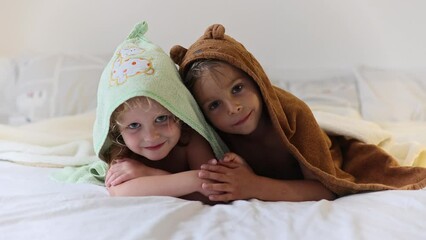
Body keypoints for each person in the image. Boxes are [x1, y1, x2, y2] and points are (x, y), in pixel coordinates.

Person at [170, 24, 426, 203]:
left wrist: (253, 185)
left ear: (256, 79)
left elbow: (325, 190)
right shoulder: (208, 134)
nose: (233, 107)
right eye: (214, 105)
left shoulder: (293, 113)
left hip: (330, 151)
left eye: (238, 89)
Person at [92, 21, 228, 204]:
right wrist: (194, 180)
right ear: (117, 130)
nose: (151, 136)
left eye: (161, 118)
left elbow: (214, 192)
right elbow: (119, 191)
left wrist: (149, 173)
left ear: (180, 112)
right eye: (133, 125)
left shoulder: (190, 140)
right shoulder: (121, 150)